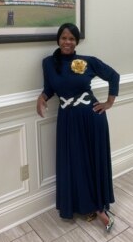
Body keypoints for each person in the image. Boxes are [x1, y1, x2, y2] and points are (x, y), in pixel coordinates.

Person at [36, 23, 120, 232]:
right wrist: (42, 97)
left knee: (92, 161)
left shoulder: (87, 61)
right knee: (74, 162)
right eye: (64, 38)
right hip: (68, 119)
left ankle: (99, 207)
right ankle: (81, 204)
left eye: (72, 39)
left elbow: (114, 76)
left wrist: (109, 103)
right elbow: (50, 88)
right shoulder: (48, 63)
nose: (67, 42)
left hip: (91, 118)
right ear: (58, 40)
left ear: (77, 42)